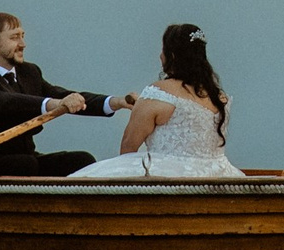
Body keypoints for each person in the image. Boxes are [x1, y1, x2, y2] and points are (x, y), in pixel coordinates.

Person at [0, 12, 124, 176]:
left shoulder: (29, 72)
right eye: (14, 37)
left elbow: (60, 94)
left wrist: (116, 102)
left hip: (26, 159)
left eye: (22, 36)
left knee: (82, 160)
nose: (23, 43)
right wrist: (53, 104)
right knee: (25, 165)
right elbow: (4, 102)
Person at [70, 23, 244, 179]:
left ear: (173, 56)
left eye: (163, 50)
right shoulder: (220, 97)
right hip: (219, 173)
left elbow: (128, 147)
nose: (160, 56)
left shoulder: (158, 94)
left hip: (169, 176)